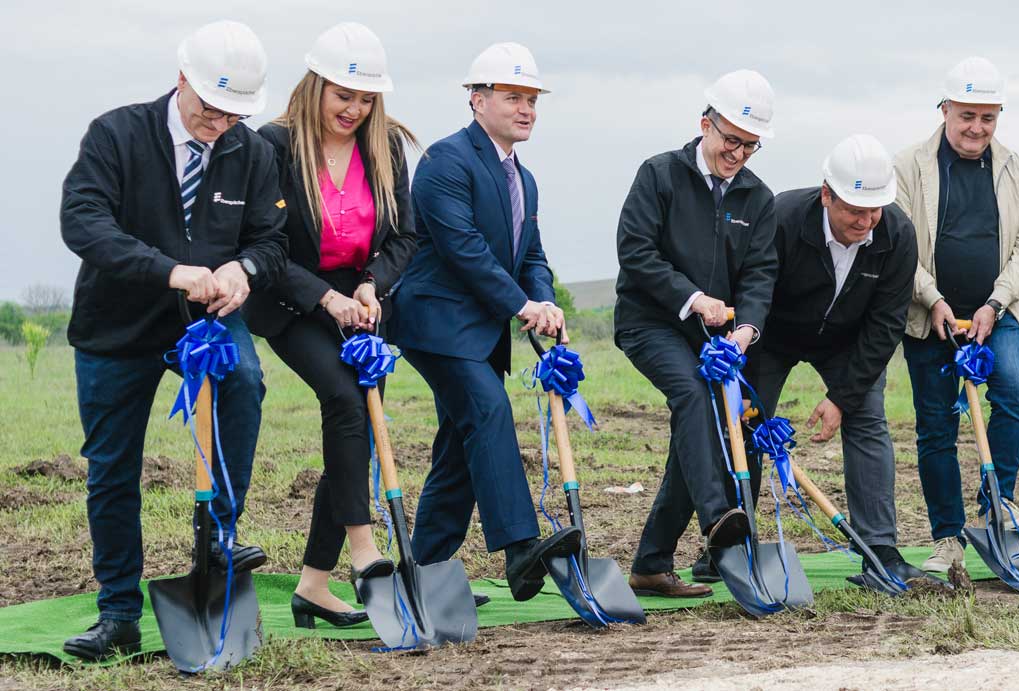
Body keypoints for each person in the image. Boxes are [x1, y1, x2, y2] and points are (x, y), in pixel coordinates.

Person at [59, 20, 287, 660]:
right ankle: (117, 613)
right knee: (112, 467)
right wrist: (168, 270)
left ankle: (220, 536)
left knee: (246, 381)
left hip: (209, 322)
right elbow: (82, 220)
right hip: (118, 323)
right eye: (210, 108)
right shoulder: (116, 134)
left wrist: (244, 271)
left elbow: (272, 241)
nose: (218, 124)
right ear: (181, 78)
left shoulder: (253, 151)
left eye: (233, 113)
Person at [389, 42, 578, 602]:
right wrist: (522, 306)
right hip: (436, 324)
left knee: (460, 444)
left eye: (532, 99)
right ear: (477, 99)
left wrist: (544, 302)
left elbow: (532, 256)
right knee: (489, 412)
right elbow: (464, 250)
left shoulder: (527, 178)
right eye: (513, 96)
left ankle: (424, 572)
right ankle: (520, 550)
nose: (527, 109)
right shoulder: (446, 161)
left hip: (482, 333)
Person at [243, 22, 418, 628]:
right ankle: (365, 550)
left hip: (364, 306)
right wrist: (324, 298)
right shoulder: (271, 146)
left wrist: (373, 283)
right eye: (344, 95)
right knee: (346, 404)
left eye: (366, 99)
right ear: (315, 86)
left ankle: (313, 584)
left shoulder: (386, 147)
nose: (355, 109)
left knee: (356, 432)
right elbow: (263, 243)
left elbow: (405, 236)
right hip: (293, 302)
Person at [712, 134, 919, 582]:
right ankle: (727, 543)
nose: (866, 221)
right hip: (774, 335)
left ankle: (880, 550)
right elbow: (755, 286)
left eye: (875, 209)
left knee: (868, 418)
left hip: (847, 341)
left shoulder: (898, 234)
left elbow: (886, 325)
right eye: (854, 210)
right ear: (827, 194)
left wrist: (842, 397)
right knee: (744, 423)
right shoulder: (784, 216)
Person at [614, 70, 779, 598]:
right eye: (731, 140)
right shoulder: (659, 174)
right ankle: (718, 521)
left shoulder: (758, 198)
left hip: (715, 338)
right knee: (692, 395)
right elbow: (636, 251)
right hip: (650, 323)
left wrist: (746, 330)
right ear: (704, 123)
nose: (738, 154)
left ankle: (651, 563)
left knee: (696, 429)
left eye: (750, 146)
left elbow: (760, 274)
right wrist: (692, 298)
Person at [894, 57, 1019, 574]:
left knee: (1015, 394)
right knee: (935, 427)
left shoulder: (1014, 167)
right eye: (966, 116)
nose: (977, 128)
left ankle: (995, 505)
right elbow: (897, 248)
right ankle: (947, 540)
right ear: (945, 109)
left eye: (988, 117)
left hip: (994, 312)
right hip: (928, 316)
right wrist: (933, 298)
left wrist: (995, 302)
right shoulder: (909, 166)